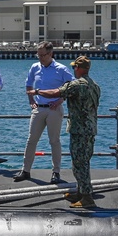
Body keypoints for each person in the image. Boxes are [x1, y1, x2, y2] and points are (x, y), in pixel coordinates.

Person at [29, 55, 101, 208]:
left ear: (80, 69)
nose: (74, 70)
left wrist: (37, 91)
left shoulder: (76, 85)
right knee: (84, 161)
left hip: (79, 128)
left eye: (75, 67)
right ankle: (82, 191)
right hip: (90, 128)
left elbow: (56, 92)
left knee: (79, 163)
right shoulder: (95, 85)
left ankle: (87, 198)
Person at [14, 42, 74, 183]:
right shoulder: (35, 67)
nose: (40, 58)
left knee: (54, 141)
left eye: (43, 55)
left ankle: (56, 172)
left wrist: (60, 100)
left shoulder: (61, 69)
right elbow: (28, 84)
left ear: (50, 54)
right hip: (39, 108)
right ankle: (26, 170)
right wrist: (31, 100)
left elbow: (72, 87)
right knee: (31, 140)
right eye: (38, 55)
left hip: (54, 109)